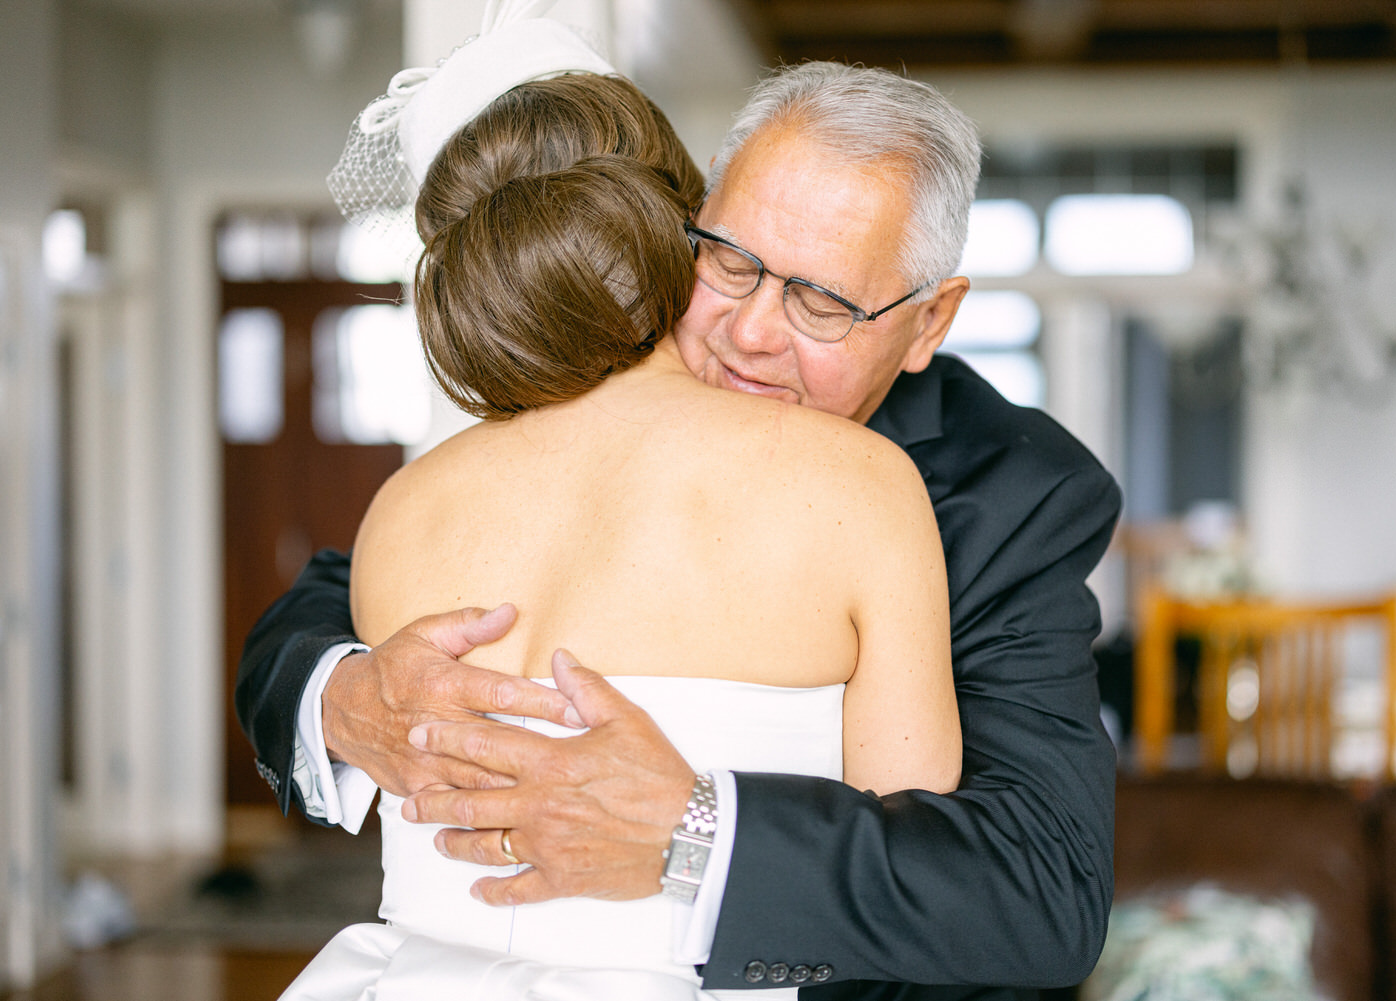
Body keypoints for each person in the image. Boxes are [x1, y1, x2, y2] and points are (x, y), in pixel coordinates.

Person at [241, 18, 1123, 1001]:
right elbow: (316, 609)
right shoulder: (521, 432)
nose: (748, 331)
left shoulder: (1007, 491)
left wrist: (696, 833)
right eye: (730, 259)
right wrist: (344, 697)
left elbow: (1040, 893)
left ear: (930, 320)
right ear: (685, 218)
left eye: (821, 302)